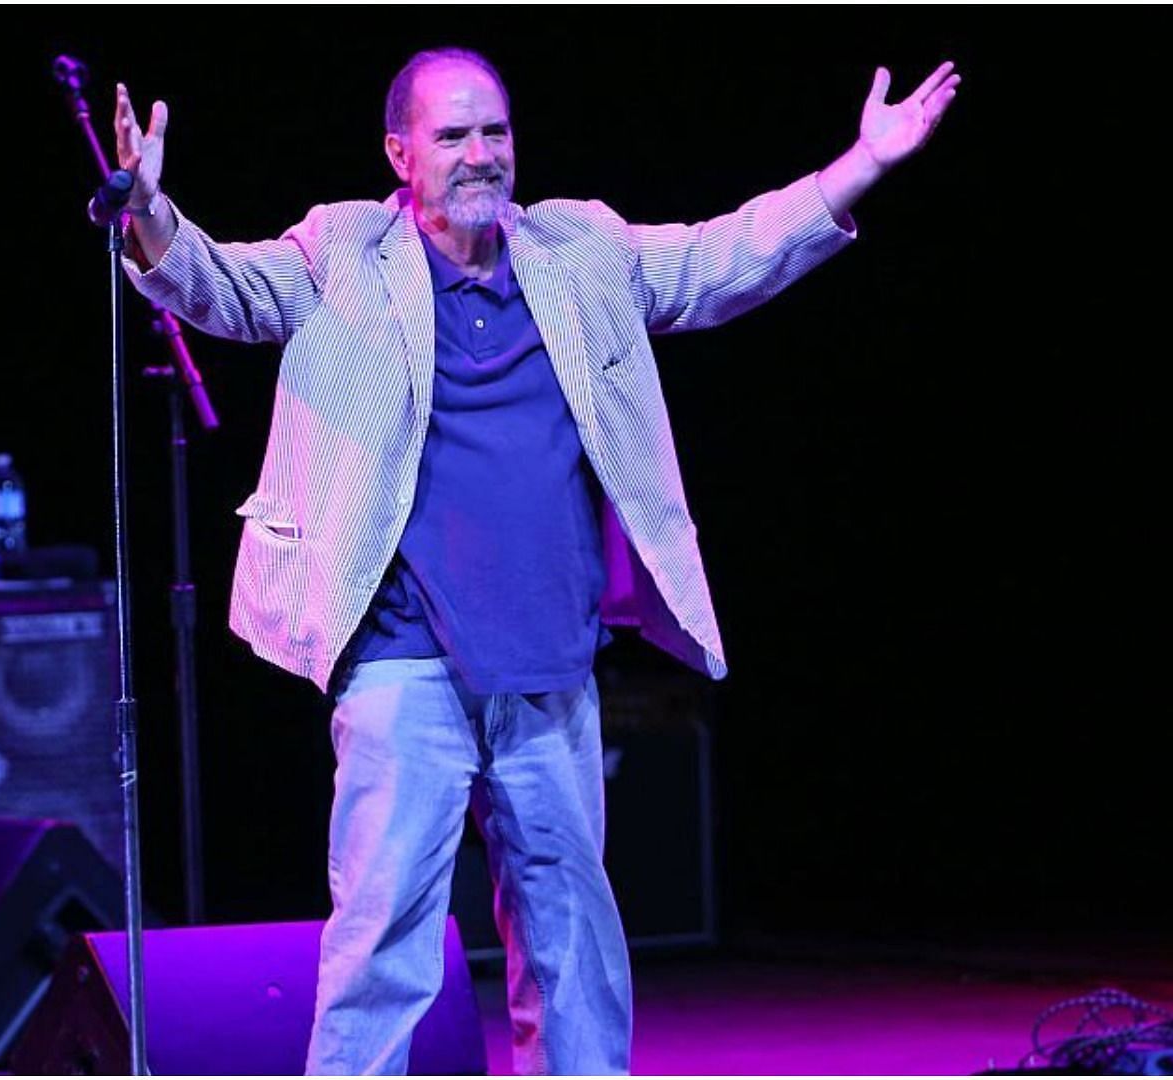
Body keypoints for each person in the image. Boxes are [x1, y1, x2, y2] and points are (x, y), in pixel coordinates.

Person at [112, 48, 959, 1075]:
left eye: (495, 132)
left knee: (572, 943)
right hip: (401, 657)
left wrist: (859, 166)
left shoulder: (579, 249)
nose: (481, 155)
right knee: (384, 941)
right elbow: (228, 290)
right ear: (401, 153)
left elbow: (723, 256)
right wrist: (152, 216)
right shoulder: (346, 249)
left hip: (551, 662)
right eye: (453, 135)